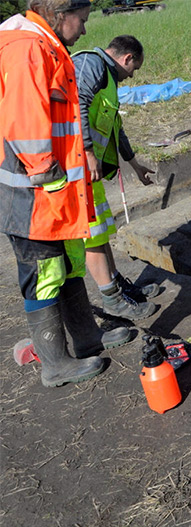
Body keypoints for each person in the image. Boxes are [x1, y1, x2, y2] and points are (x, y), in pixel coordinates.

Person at [0, 0, 133, 388]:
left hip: (55, 192)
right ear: (61, 13)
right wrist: (44, 172)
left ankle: (87, 339)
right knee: (44, 275)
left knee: (70, 266)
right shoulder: (27, 47)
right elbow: (24, 116)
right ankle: (55, 363)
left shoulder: (44, 43)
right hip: (34, 194)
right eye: (84, 20)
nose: (85, 31)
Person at [73, 35, 158, 320]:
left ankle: (117, 287)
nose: (133, 75)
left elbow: (114, 127)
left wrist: (134, 164)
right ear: (127, 58)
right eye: (134, 68)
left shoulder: (108, 79)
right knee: (92, 236)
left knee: (102, 233)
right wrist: (87, 152)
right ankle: (112, 300)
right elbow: (77, 106)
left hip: (88, 171)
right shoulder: (91, 65)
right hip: (77, 167)